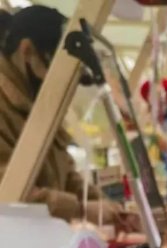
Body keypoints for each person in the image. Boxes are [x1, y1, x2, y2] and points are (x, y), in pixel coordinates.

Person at [0, 6, 123, 224]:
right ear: (27, 51)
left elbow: (64, 171)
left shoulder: (36, 103)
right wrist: (80, 209)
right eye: (53, 66)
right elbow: (7, 192)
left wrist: (105, 205)